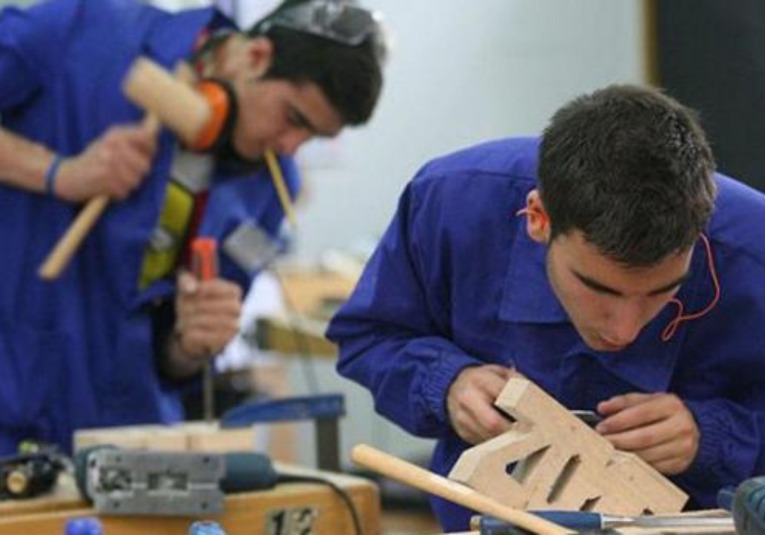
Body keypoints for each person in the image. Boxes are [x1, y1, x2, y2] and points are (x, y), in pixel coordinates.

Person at [327, 84, 765, 530]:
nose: (624, 331)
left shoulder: (755, 249)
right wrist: (446, 383)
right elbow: (369, 337)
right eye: (601, 289)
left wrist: (713, 435)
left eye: (661, 291)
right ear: (538, 218)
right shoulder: (454, 204)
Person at [0, 0, 384, 455]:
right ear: (254, 56)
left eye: (313, 137)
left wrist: (188, 343)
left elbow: (173, 356)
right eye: (294, 118)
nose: (289, 146)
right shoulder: (83, 32)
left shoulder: (270, 184)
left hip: (124, 435)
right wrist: (56, 173)